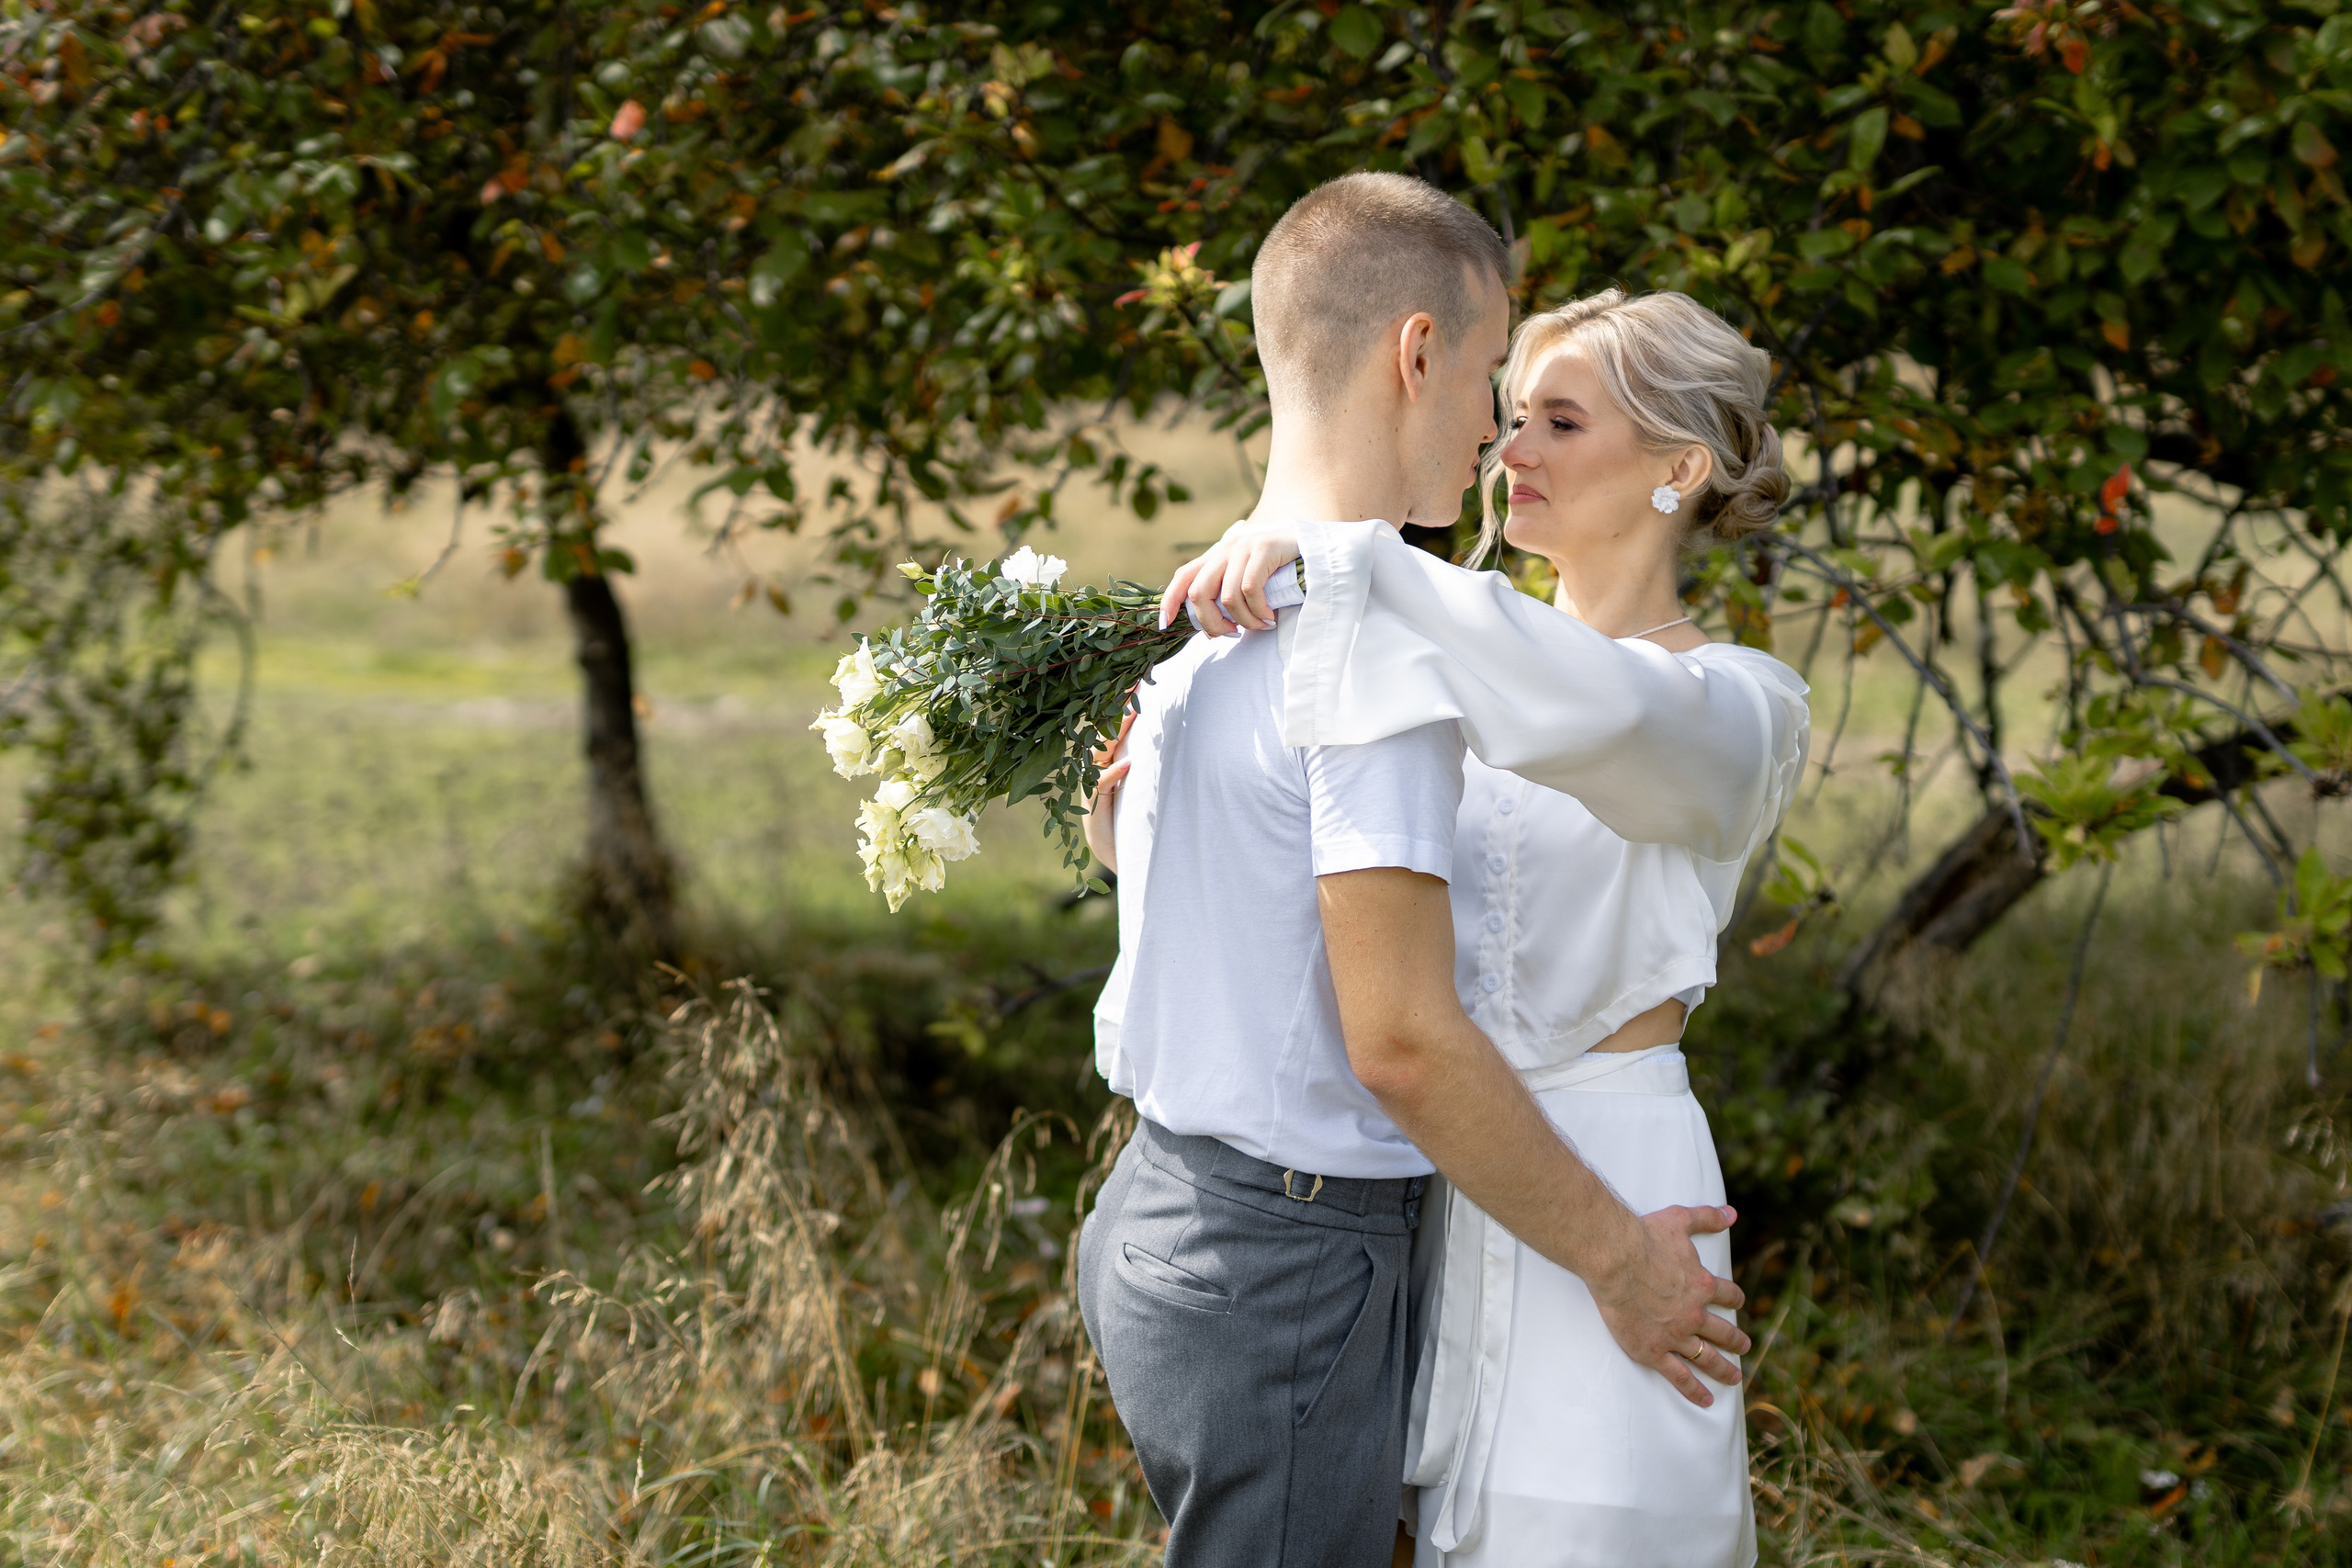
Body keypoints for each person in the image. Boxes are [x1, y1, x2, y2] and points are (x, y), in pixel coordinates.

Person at [1074, 173, 1751, 1568]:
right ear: (1417, 354)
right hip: (1356, 1230)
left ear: (1682, 464)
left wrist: (1335, 557)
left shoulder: (1312, 631)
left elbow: (1594, 708)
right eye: (1504, 384)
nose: (1506, 438)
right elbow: (1392, 1031)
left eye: (1555, 414)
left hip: (1475, 1198)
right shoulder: (1333, 639)